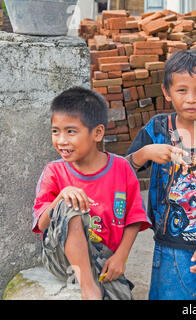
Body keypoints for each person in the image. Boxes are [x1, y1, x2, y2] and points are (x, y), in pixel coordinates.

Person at [125, 50, 196, 300]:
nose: (191, 98)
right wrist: (144, 153)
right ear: (167, 92)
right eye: (181, 90)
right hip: (169, 250)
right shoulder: (157, 129)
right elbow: (121, 171)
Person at [32, 87, 151, 300]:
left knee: (122, 296)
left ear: (97, 133)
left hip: (104, 259)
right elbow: (41, 224)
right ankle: (89, 288)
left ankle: (97, 281)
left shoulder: (121, 168)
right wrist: (61, 196)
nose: (61, 140)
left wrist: (120, 257)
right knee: (70, 203)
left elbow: (135, 218)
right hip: (61, 260)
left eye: (70, 131)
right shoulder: (54, 171)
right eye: (55, 131)